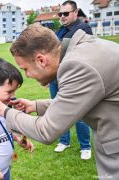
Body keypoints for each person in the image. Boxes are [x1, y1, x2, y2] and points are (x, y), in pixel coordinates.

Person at [0, 24, 119, 178]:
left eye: (25, 69)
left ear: (41, 60)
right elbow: (75, 102)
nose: (28, 75)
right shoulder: (83, 52)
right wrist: (35, 106)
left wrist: (3, 111)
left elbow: (46, 131)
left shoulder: (77, 66)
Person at [50, 0, 92, 158]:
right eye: (60, 14)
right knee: (58, 110)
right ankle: (64, 141)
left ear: (76, 12)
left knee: (79, 112)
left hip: (74, 78)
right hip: (56, 78)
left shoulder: (83, 28)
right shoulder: (60, 30)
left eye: (66, 13)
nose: (62, 16)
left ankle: (85, 146)